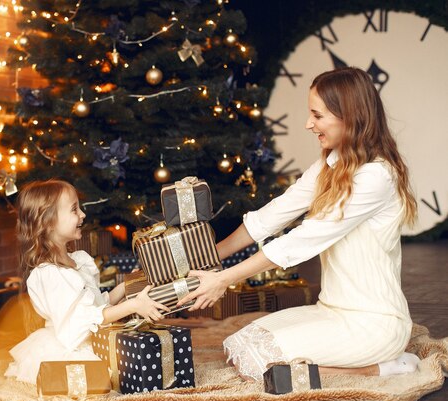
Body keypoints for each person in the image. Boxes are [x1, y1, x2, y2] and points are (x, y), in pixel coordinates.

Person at [177, 67, 421, 380]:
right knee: (240, 348)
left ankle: (380, 368)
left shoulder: (376, 176)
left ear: (350, 115)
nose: (309, 124)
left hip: (374, 323)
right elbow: (276, 213)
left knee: (261, 365)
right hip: (330, 310)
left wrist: (226, 278)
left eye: (317, 116)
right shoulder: (331, 162)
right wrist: (207, 259)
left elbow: (303, 239)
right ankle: (341, 367)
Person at [5, 179, 169, 383]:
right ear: (48, 222)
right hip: (72, 346)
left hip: (93, 337)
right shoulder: (50, 274)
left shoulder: (77, 260)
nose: (83, 214)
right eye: (74, 210)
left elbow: (96, 306)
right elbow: (81, 322)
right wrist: (132, 305)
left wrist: (126, 285)